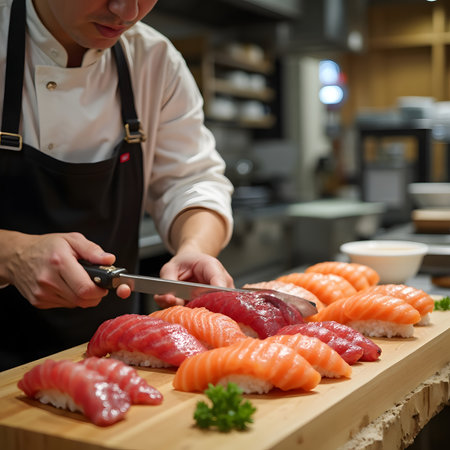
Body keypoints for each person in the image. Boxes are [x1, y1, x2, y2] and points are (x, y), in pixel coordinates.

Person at [0, 0, 235, 371]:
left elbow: (192, 179)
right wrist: (11, 254)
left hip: (114, 357)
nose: (127, 11)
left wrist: (195, 246)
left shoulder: (155, 61)